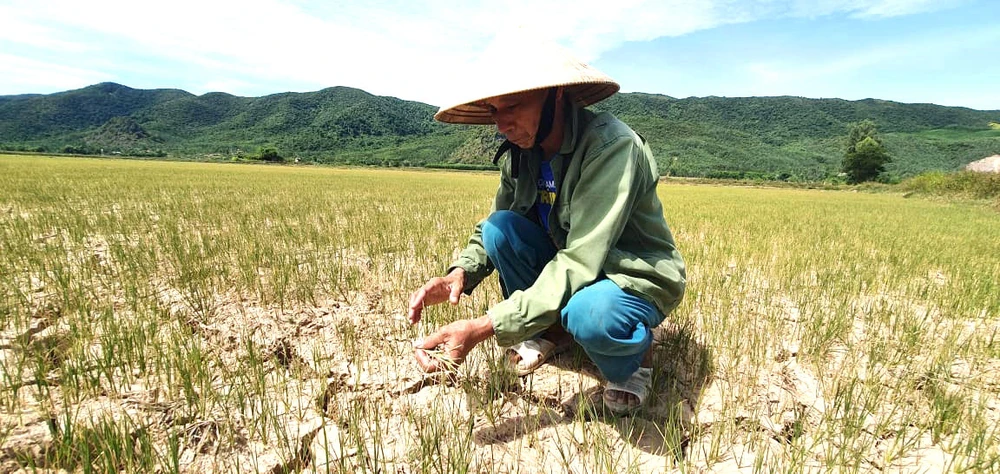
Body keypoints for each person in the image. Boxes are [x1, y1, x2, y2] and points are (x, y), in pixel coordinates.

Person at [407, 34, 686, 414]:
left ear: (556, 96)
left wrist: (485, 326)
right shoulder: (521, 154)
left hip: (626, 274)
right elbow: (496, 222)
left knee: (590, 315)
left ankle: (637, 356)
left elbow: (580, 259)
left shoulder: (610, 147)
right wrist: (460, 273)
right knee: (498, 230)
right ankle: (553, 331)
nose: (502, 124)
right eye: (493, 110)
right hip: (570, 268)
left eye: (515, 106)